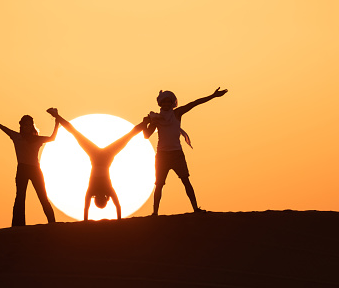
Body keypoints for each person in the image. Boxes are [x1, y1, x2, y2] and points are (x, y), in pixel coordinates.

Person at [46, 108, 149, 221]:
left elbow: (86, 208)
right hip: (107, 155)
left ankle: (56, 115)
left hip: (95, 155)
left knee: (75, 133)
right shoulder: (108, 190)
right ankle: (145, 122)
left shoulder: (91, 191)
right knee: (128, 136)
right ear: (105, 199)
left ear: (96, 199)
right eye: (101, 200)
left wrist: (86, 221)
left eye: (98, 200)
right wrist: (119, 221)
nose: (99, 198)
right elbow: (117, 206)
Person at [143, 87, 228, 216]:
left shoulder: (177, 113)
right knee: (159, 184)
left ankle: (195, 208)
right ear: (160, 104)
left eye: (168, 102)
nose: (166, 104)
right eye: (164, 102)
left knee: (186, 181)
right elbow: (146, 135)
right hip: (162, 155)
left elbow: (195, 103)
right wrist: (145, 123)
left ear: (172, 103)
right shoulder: (156, 119)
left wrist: (213, 96)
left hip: (177, 153)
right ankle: (155, 213)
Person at [0, 111, 59, 226]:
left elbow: (52, 138)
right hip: (22, 169)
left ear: (32, 126)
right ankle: (18, 225)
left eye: (29, 124)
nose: (26, 127)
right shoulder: (16, 136)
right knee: (20, 197)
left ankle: (52, 223)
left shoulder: (37, 139)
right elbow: (0, 126)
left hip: (35, 170)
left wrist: (57, 120)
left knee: (43, 197)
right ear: (21, 126)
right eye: (24, 125)